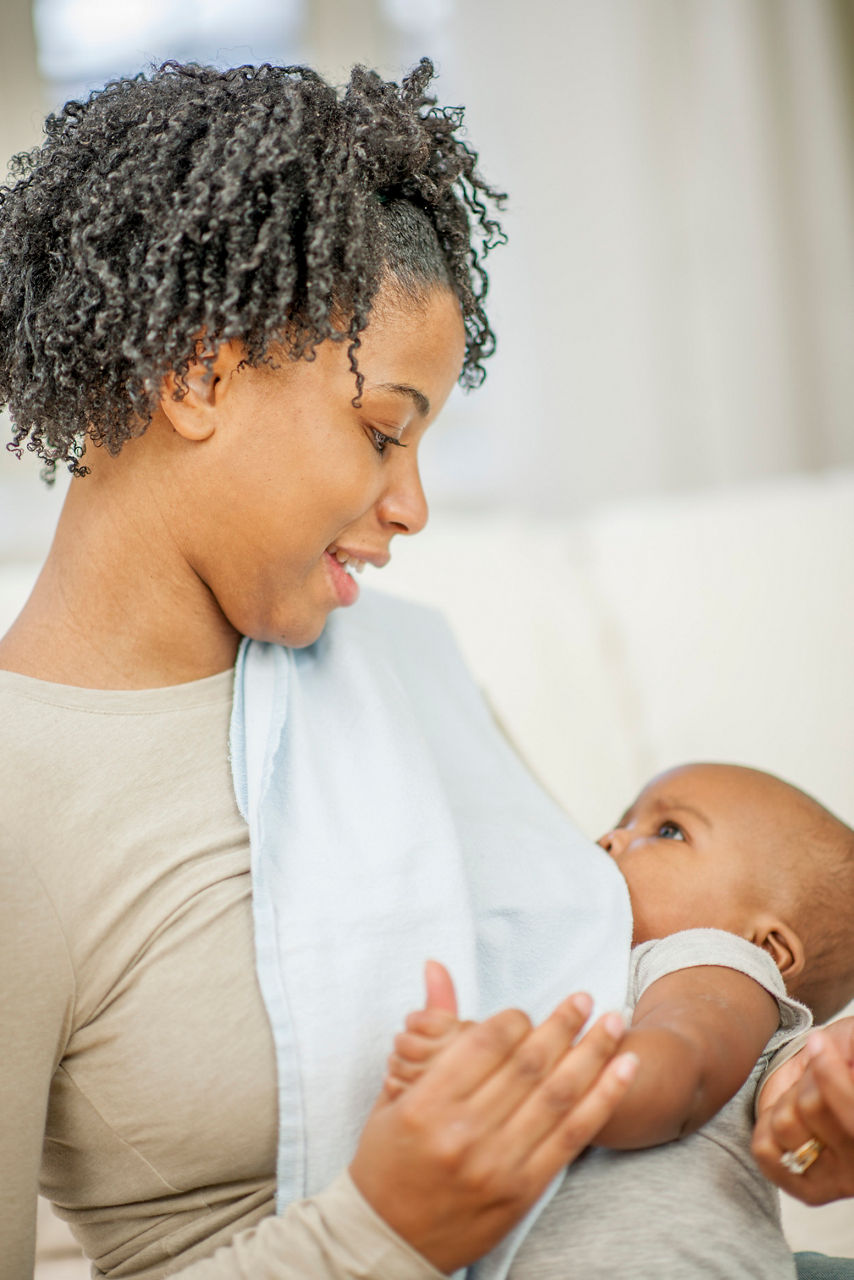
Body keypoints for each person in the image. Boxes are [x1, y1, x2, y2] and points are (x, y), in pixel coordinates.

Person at [1, 56, 852, 1280]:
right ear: (197, 374)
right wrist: (379, 1229)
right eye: (382, 430)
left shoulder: (399, 667)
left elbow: (597, 968)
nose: (411, 504)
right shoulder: (16, 801)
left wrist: (802, 1099)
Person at [385, 763, 854, 1278]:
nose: (610, 838)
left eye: (668, 831)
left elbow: (685, 1066)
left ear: (766, 948)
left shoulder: (714, 960)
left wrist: (512, 1074)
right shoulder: (601, 972)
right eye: (621, 821)